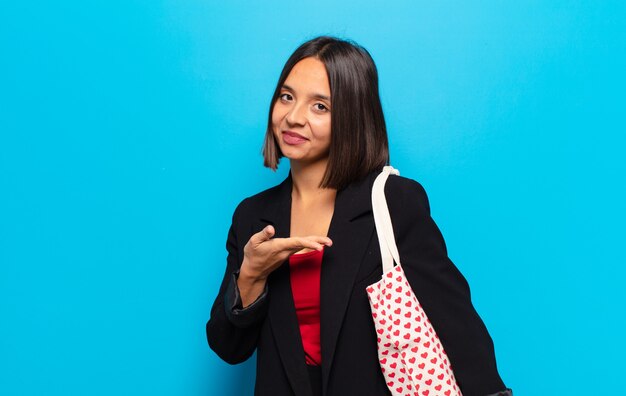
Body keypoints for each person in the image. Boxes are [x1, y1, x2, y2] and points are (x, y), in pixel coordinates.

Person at [206, 36, 512, 396]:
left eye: (320, 106)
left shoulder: (393, 202)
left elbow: (455, 322)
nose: (293, 117)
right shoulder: (252, 216)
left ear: (351, 116)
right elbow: (229, 348)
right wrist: (251, 276)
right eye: (286, 97)